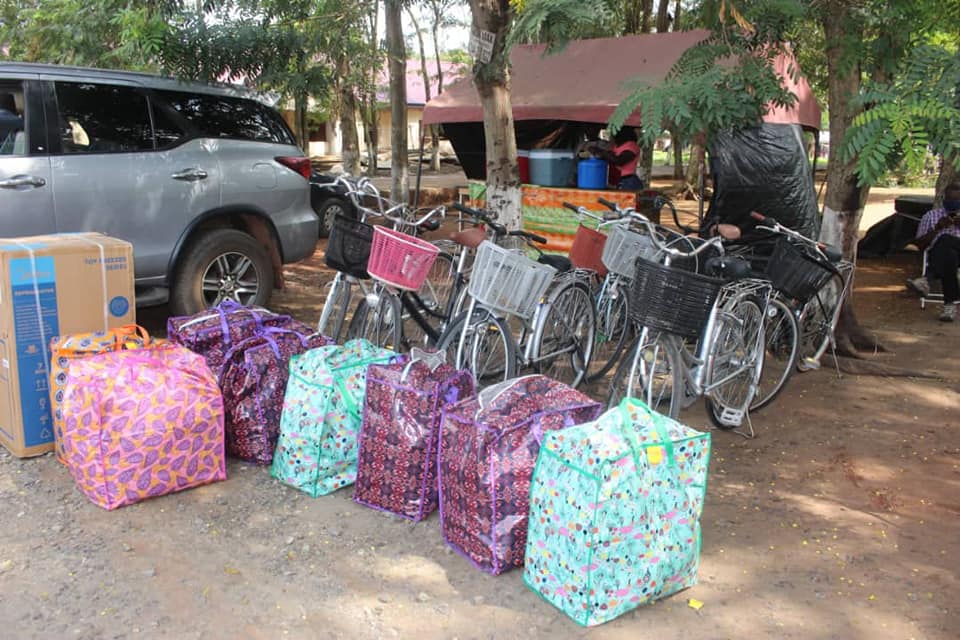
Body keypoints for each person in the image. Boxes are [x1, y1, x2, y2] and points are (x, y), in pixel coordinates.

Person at [906, 182, 960, 322]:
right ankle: (949, 307)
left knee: (945, 239)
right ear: (944, 199)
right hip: (940, 257)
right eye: (950, 199)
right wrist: (937, 228)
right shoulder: (931, 216)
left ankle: (926, 279)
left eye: (957, 200)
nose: (953, 202)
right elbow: (920, 245)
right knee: (949, 257)